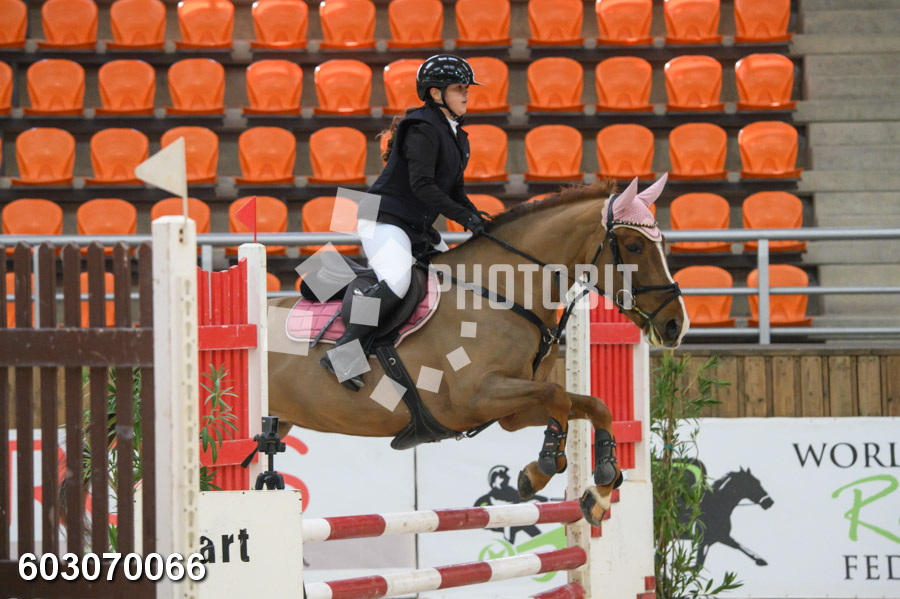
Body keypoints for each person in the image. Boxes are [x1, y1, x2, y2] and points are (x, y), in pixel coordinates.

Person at [320, 54, 490, 390]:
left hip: (415, 226)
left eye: (467, 88)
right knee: (397, 281)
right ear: (436, 93)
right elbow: (422, 186)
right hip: (382, 217)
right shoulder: (422, 129)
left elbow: (456, 191)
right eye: (459, 88)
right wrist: (464, 218)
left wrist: (480, 218)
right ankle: (343, 351)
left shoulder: (458, 136)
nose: (466, 94)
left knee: (455, 278)